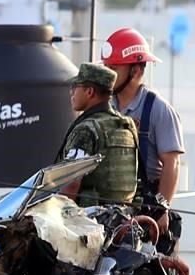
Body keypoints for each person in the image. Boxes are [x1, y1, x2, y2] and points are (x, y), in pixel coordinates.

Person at [101, 27, 186, 254]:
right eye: (106, 68)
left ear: (136, 71)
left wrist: (162, 210)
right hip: (112, 211)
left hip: (148, 210)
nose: (108, 74)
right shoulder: (105, 107)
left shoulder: (158, 110)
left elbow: (172, 163)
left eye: (114, 68)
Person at [57, 63, 139, 208]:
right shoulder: (126, 125)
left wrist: (54, 215)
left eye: (75, 87)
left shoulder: (86, 130)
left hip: (90, 221)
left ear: (89, 92)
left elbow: (71, 184)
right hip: (122, 219)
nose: (71, 93)